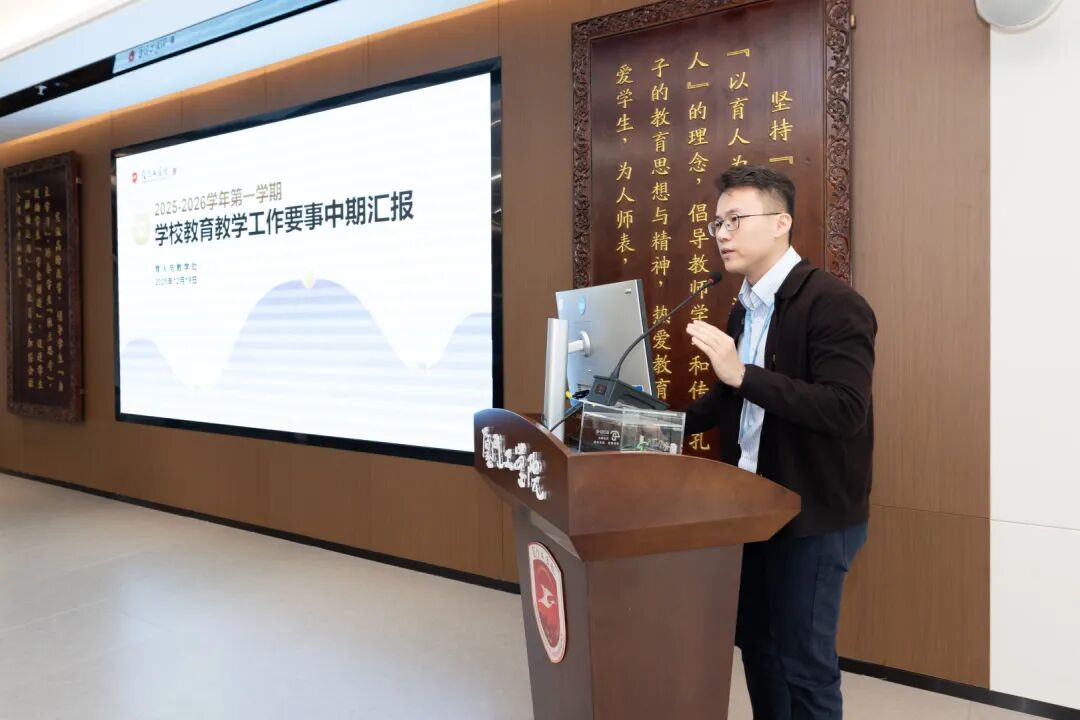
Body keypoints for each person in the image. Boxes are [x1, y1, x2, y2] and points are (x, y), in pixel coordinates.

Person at [683, 165, 876, 720]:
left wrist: (742, 374)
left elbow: (845, 409)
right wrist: (653, 424)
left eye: (735, 220)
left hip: (810, 515)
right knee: (759, 646)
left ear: (780, 223)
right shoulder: (745, 305)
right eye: (717, 223)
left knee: (805, 665)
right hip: (750, 507)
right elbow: (729, 400)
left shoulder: (834, 303)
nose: (722, 234)